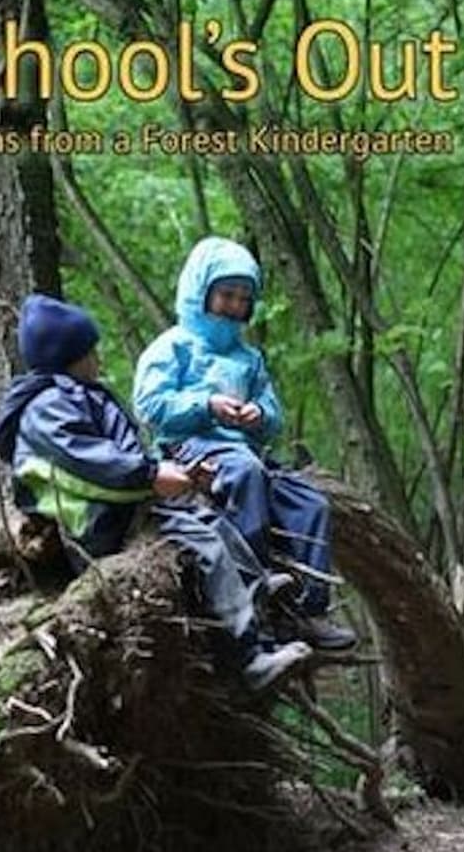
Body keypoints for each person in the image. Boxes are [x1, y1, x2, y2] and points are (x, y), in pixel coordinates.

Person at [0, 292, 312, 690]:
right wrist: (151, 475)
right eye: (92, 352)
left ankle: (256, 590)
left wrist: (168, 475)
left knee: (209, 519)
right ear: (71, 357)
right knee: (203, 543)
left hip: (124, 504)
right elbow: (91, 463)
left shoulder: (74, 394)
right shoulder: (47, 406)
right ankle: (246, 659)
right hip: (98, 522)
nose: (99, 360)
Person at [133, 236, 356, 651]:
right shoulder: (173, 347)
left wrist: (259, 416)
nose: (235, 305)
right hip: (189, 450)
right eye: (226, 294)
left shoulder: (249, 359)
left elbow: (273, 416)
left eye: (243, 297)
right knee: (245, 473)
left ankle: (309, 610)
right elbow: (151, 406)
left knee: (310, 503)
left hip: (248, 452)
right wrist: (206, 405)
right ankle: (254, 590)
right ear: (201, 293)